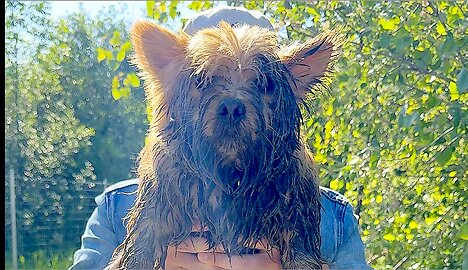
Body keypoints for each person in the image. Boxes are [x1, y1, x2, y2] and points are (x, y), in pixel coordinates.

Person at [69, 6, 371, 270]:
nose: (231, 104)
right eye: (205, 80)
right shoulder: (116, 209)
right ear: (171, 88)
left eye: (261, 85)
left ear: (290, 92)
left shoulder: (334, 217)